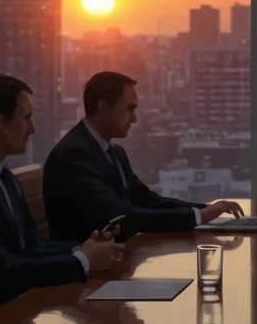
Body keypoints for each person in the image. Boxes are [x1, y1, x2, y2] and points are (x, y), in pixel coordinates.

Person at [0, 75, 123, 324]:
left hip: (13, 315)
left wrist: (82, 249)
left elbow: (31, 244)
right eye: (27, 118)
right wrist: (82, 261)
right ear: (1, 123)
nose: (32, 128)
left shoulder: (1, 175)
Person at [43, 71, 244, 241]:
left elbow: (146, 200)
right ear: (103, 107)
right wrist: (199, 216)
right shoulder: (73, 156)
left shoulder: (113, 152)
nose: (134, 118)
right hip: (92, 271)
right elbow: (121, 216)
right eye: (129, 109)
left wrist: (207, 209)